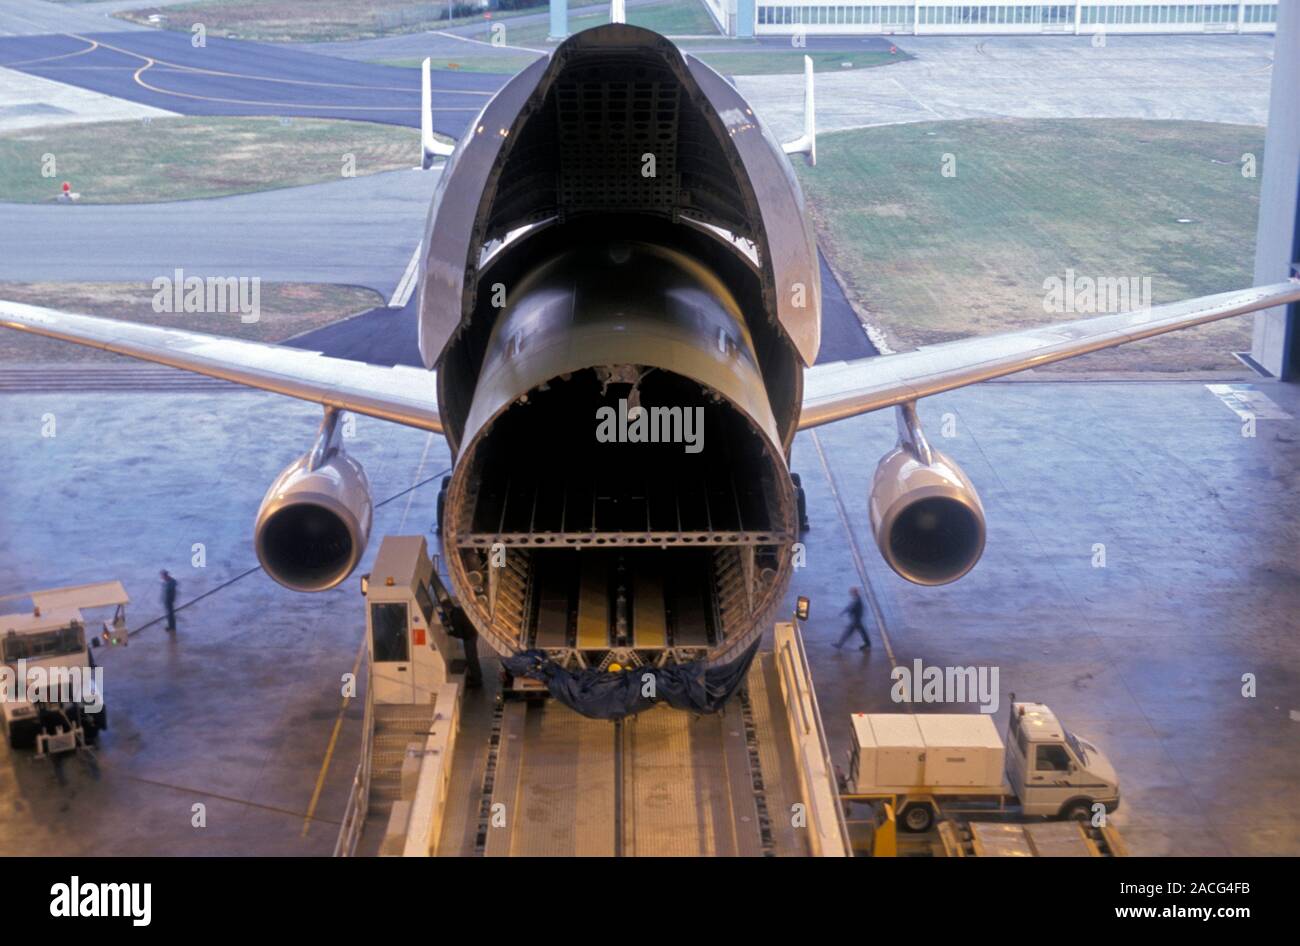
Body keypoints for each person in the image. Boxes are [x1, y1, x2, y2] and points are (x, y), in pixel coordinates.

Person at [441, 600, 483, 689]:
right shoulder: (457, 610)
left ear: (447, 609)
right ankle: (477, 676)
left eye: (444, 609)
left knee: (471, 658)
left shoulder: (455, 617)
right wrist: (449, 624)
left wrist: (449, 632)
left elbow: (459, 633)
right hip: (472, 633)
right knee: (473, 657)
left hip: (469, 637)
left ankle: (477, 682)